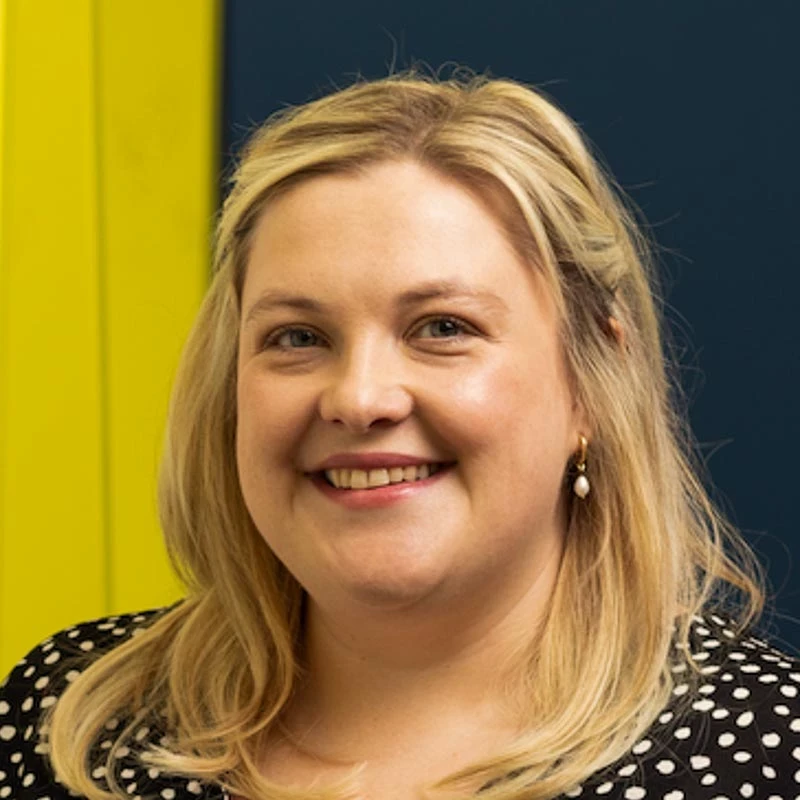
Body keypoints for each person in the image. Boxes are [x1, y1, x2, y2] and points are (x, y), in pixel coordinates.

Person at [1, 71, 798, 800]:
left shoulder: (770, 757)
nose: (359, 398)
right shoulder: (68, 722)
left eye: (442, 327)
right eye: (298, 337)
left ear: (593, 384)